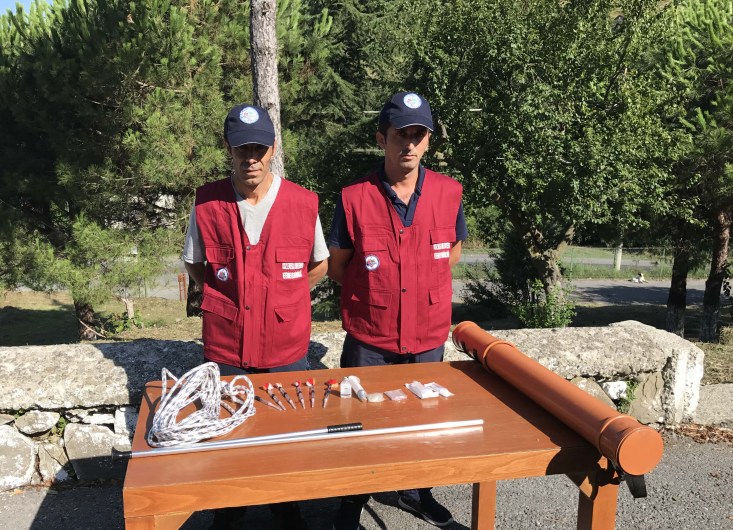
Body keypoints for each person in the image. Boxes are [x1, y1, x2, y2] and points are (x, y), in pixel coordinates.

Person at [183, 103, 329, 530]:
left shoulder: (302, 203)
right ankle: (229, 511)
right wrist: (224, 296)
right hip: (227, 347)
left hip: (286, 348)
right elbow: (195, 263)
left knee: (286, 436)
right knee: (227, 436)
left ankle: (287, 508)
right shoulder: (207, 203)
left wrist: (285, 298)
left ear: (273, 148)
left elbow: (319, 264)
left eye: (259, 148)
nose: (251, 158)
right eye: (242, 148)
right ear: (228, 148)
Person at [327, 91, 468, 529]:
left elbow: (452, 254)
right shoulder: (354, 198)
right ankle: (351, 500)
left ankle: (417, 492)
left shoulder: (449, 192)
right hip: (370, 340)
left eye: (417, 135)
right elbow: (338, 266)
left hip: (427, 338)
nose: (409, 143)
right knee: (358, 423)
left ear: (428, 141)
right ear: (381, 139)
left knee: (422, 423)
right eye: (399, 134)